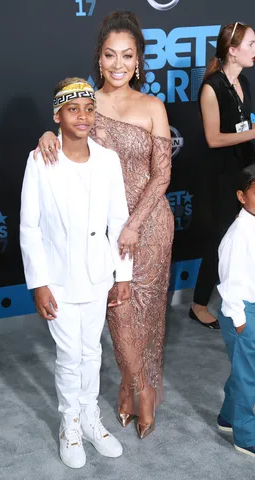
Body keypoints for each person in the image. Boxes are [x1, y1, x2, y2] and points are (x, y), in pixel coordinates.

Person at [36, 11, 174, 438]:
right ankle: (133, 387)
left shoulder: (152, 106)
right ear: (99, 59)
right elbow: (67, 133)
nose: (118, 64)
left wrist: (133, 225)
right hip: (102, 231)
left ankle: (143, 392)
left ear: (138, 61)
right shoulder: (86, 105)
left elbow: (162, 174)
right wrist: (46, 136)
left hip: (149, 227)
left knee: (147, 317)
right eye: (110, 55)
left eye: (127, 56)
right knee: (117, 316)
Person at [20, 78, 133, 468]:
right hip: (59, 279)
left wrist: (123, 274)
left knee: (92, 351)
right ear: (57, 116)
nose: (82, 116)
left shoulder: (108, 160)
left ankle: (90, 420)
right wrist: (38, 283)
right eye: (73, 109)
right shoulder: (40, 160)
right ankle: (68, 423)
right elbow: (29, 226)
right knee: (69, 356)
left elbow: (119, 220)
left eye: (88, 108)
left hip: (98, 274)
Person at [190, 22, 255, 329]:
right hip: (218, 177)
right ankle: (199, 304)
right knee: (220, 240)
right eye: (251, 44)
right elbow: (214, 139)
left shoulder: (244, 82)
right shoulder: (211, 88)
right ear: (233, 51)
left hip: (243, 170)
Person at [217, 164, 255, 457]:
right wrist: (241, 324)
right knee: (248, 378)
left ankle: (228, 418)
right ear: (242, 196)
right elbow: (229, 284)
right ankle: (246, 436)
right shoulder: (237, 234)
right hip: (242, 312)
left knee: (245, 371)